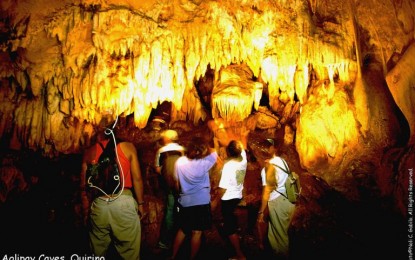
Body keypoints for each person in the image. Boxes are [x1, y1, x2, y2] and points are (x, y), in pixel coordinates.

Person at [80, 115, 145, 259]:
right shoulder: (128, 147)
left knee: (96, 253)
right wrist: (140, 204)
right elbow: (137, 179)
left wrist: (86, 212)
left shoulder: (88, 153)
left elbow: (84, 187)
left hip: (99, 205)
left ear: (98, 130)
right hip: (123, 202)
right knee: (130, 255)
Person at [170, 136, 218, 260]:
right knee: (196, 232)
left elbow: (176, 182)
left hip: (185, 201)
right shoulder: (204, 163)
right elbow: (215, 152)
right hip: (201, 202)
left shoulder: (180, 162)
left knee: (183, 229)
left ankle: (172, 256)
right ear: (200, 150)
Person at [257, 139, 295, 259]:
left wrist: (261, 211)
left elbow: (266, 192)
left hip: (279, 204)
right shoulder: (281, 161)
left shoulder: (267, 169)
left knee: (280, 238)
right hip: (290, 199)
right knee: (276, 233)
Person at [154, 129, 185, 250]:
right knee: (183, 210)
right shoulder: (183, 150)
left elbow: (157, 169)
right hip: (183, 185)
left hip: (170, 185)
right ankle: (182, 239)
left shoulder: (161, 151)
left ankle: (165, 241)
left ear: (166, 139)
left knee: (170, 211)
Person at [218, 140, 247, 260]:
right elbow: (242, 147)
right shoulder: (244, 159)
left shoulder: (228, 167)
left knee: (229, 227)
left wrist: (216, 199)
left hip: (228, 198)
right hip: (238, 195)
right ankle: (235, 228)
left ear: (229, 153)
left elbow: (223, 188)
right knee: (230, 218)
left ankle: (239, 254)